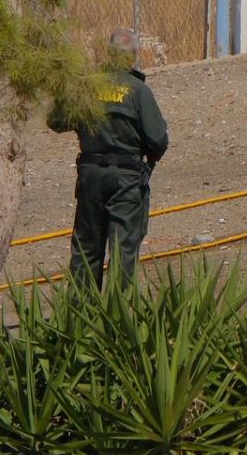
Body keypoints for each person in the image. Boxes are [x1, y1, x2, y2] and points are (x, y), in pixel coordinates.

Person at [49, 28, 169, 287]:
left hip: (90, 175)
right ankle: (116, 317)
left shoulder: (87, 87)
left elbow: (56, 121)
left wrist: (64, 86)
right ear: (132, 57)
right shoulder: (138, 91)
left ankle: (81, 315)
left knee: (86, 248)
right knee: (123, 251)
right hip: (126, 179)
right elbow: (158, 140)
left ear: (106, 55)